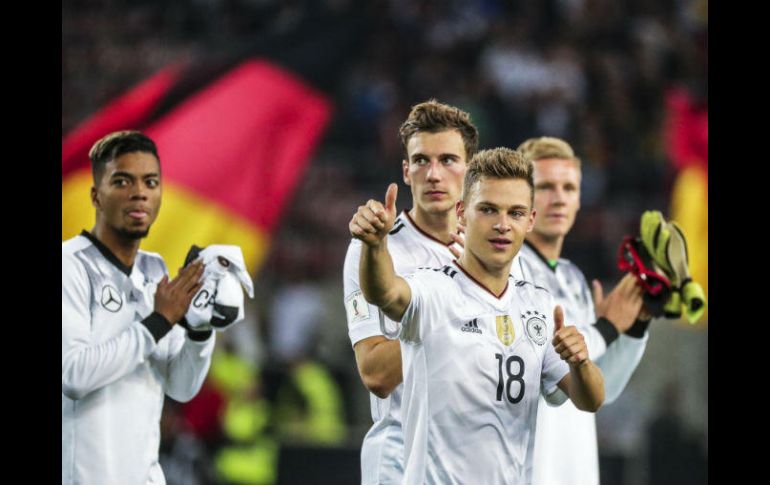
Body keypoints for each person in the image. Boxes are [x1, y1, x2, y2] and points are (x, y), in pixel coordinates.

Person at [350, 147, 605, 484]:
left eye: (515, 213)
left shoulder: (538, 305)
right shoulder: (434, 290)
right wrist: (374, 246)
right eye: (488, 210)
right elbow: (385, 292)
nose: (502, 224)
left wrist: (581, 362)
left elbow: (590, 400)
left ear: (530, 220)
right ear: (462, 214)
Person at [62, 130, 215, 485]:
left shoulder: (154, 270)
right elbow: (74, 375)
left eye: (150, 182)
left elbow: (180, 386)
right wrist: (159, 320)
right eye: (122, 181)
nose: (140, 193)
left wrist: (199, 329)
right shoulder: (70, 265)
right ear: (96, 196)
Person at [342, 100, 479, 484]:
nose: (434, 174)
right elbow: (375, 374)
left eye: (448, 160)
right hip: (402, 461)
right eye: (421, 161)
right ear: (405, 171)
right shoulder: (371, 249)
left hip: (476, 460)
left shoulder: (494, 254)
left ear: (470, 169)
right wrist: (456, 301)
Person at [514, 136, 650, 485]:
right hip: (530, 469)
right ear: (522, 198)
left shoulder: (574, 278)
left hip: (575, 468)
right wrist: (605, 328)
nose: (559, 197)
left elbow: (601, 390)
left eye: (569, 187)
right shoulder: (509, 271)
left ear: (578, 200)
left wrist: (633, 327)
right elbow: (550, 380)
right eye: (544, 186)